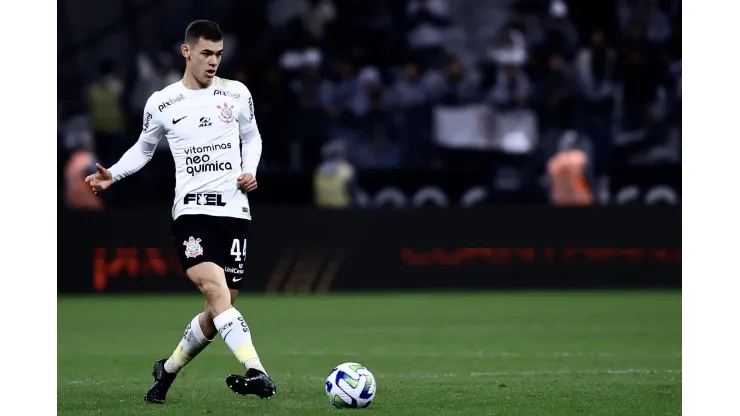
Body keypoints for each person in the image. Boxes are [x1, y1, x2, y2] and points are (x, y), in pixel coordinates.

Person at [84, 20, 276, 404]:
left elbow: (252, 137)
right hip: (191, 214)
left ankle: (167, 370)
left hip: (235, 211)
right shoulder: (163, 101)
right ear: (186, 52)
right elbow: (143, 148)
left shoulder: (237, 94)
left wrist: (250, 171)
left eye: (219, 54)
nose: (213, 61)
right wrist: (113, 175)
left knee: (219, 308)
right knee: (215, 289)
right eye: (206, 53)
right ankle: (258, 371)